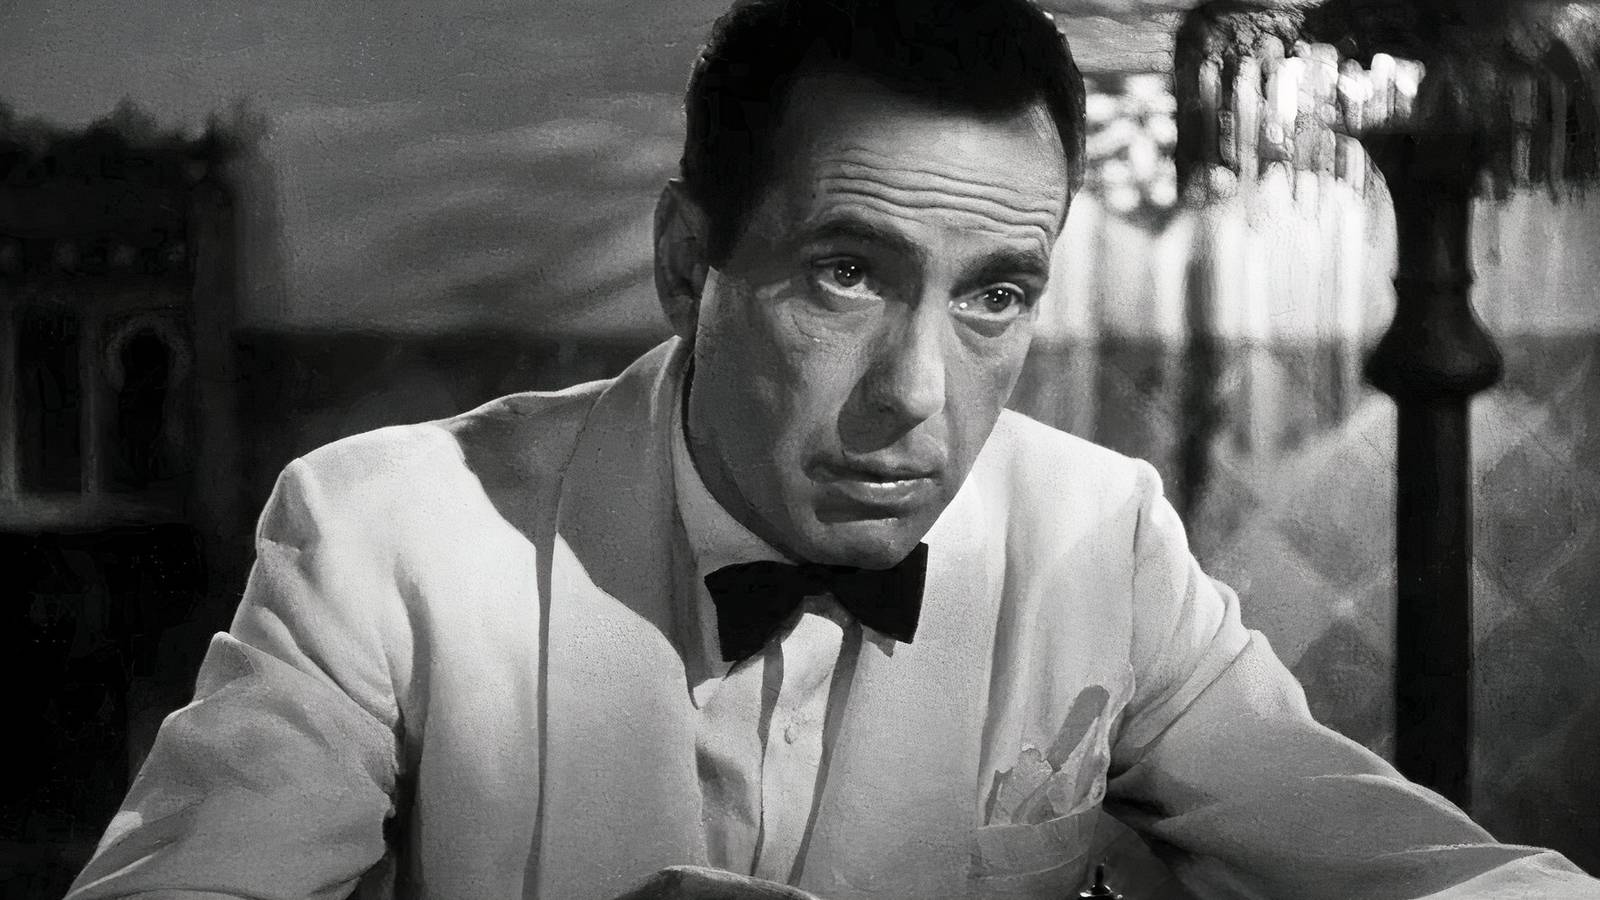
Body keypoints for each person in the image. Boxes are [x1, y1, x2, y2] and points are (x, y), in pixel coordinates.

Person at [66, 1, 1600, 898]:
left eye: (995, 294)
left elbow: (1403, 861)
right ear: (689, 263)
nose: (916, 398)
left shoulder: (1104, 534)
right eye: (846, 274)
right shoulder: (384, 534)